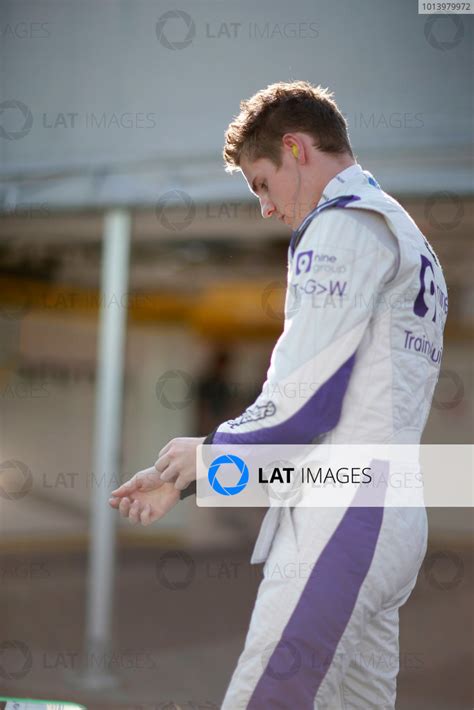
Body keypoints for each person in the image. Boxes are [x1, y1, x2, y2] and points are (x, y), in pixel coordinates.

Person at [109, 81, 448, 708]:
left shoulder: (343, 225)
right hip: (394, 512)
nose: (264, 207)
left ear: (294, 148)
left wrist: (206, 458)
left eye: (261, 183)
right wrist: (198, 476)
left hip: (345, 515)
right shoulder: (409, 238)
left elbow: (305, 399)